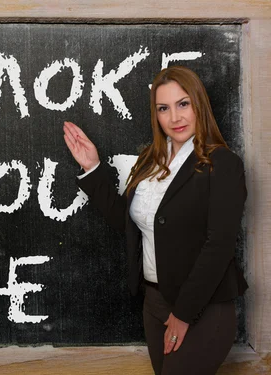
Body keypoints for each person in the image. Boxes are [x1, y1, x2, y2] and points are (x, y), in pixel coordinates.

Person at [63, 65, 247, 375]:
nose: (175, 117)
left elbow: (219, 245)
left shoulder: (222, 163)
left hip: (202, 308)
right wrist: (93, 169)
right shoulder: (151, 162)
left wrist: (184, 314)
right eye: (164, 108)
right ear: (156, 114)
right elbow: (130, 226)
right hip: (155, 303)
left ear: (199, 104)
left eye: (183, 104)